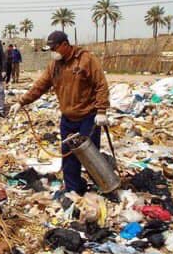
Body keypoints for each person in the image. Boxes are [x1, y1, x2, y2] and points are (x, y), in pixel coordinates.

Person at [10, 31, 109, 195]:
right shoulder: (54, 66)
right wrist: (22, 101)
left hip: (88, 117)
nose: (52, 52)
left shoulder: (86, 59)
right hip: (68, 119)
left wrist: (101, 110)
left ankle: (104, 187)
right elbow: (40, 85)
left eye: (54, 48)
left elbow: (101, 85)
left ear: (65, 44)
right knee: (68, 157)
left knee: (90, 156)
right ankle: (73, 190)